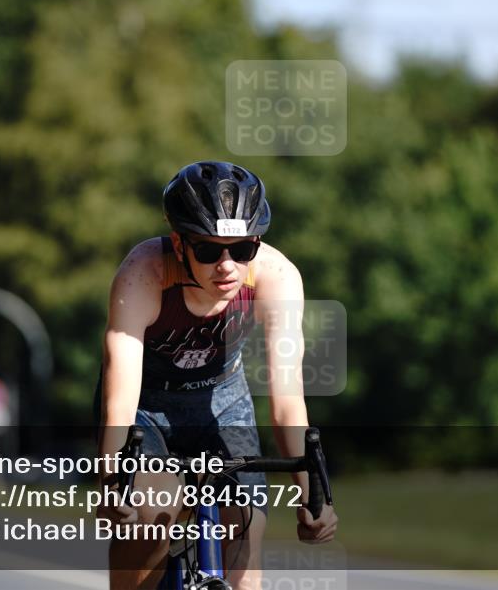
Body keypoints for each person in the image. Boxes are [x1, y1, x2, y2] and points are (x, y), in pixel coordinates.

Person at [97, 161, 338, 590]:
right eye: (209, 251)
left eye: (242, 249)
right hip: (146, 406)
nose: (226, 265)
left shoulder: (276, 276)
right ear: (179, 243)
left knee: (246, 530)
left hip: (223, 401)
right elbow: (121, 388)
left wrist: (312, 494)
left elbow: (286, 399)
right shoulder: (144, 274)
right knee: (153, 513)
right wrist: (111, 477)